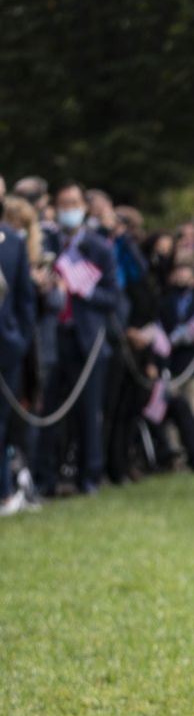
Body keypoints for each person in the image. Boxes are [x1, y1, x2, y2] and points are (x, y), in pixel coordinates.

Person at [31, 184, 125, 498]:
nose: (68, 208)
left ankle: (89, 476)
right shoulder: (47, 243)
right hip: (54, 336)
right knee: (49, 410)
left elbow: (112, 296)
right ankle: (45, 477)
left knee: (88, 411)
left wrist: (84, 288)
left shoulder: (99, 247)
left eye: (74, 203)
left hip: (87, 338)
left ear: (83, 207)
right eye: (63, 203)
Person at [0, 195, 36, 512]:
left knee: (2, 422)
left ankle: (4, 492)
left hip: (5, 347)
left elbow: (26, 298)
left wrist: (19, 339)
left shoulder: (11, 241)